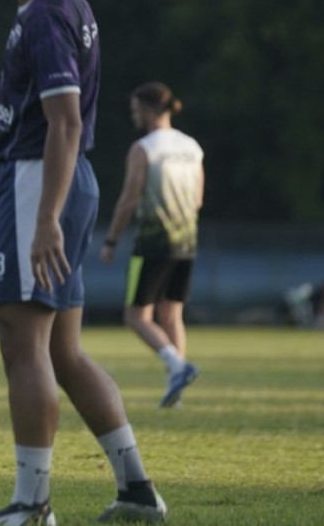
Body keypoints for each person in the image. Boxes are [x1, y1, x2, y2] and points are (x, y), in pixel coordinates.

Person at [0, 0, 167, 525]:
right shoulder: (61, 4)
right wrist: (0, 197)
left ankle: (33, 506)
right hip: (40, 182)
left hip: (45, 184)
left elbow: (64, 124)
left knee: (20, 340)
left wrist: (42, 213)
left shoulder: (48, 14)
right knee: (63, 352)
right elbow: (44, 126)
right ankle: (137, 492)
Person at [99, 82, 204, 408]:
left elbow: (130, 198)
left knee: (135, 317)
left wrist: (111, 239)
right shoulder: (192, 147)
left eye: (134, 109)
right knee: (173, 314)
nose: (133, 115)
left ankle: (178, 366)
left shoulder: (144, 148)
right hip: (187, 242)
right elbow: (198, 198)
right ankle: (176, 393)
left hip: (153, 243)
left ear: (146, 109)